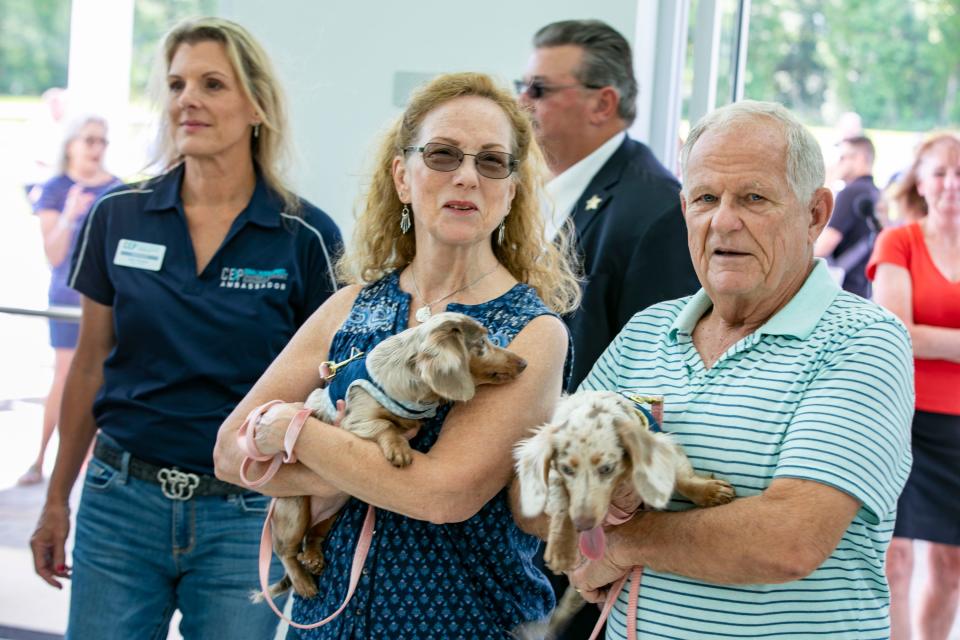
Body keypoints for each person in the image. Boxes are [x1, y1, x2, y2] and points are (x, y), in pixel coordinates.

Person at [212, 71, 581, 639]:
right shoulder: (348, 308)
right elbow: (230, 453)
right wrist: (346, 471)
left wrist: (296, 432)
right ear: (402, 177)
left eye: (490, 162)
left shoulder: (529, 333)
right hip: (327, 626)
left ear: (511, 190)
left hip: (466, 626)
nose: (465, 176)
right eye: (442, 154)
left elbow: (443, 494)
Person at [28, 17, 342, 639]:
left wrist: (311, 514)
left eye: (211, 84)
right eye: (175, 84)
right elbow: (89, 364)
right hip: (120, 503)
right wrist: (57, 497)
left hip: (245, 509)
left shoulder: (306, 236)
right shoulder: (117, 215)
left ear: (256, 105)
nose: (186, 99)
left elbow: (326, 388)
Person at [564, 101, 914, 638]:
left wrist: (624, 541)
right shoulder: (646, 331)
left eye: (754, 197)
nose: (724, 221)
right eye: (705, 198)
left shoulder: (864, 342)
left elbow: (789, 538)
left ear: (816, 214)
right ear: (685, 210)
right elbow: (539, 492)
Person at [517, 19, 699, 392]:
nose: (522, 102)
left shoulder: (657, 211)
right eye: (521, 86)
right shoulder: (520, 189)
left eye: (539, 89)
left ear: (602, 104)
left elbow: (656, 369)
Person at [868, 133, 960, 640]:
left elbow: (918, 332)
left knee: (950, 568)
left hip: (957, 431)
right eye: (941, 172)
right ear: (921, 181)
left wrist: (934, 340)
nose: (952, 184)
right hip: (902, 420)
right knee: (894, 559)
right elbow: (896, 330)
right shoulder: (898, 242)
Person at [17, 115, 122, 487]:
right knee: (65, 375)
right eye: (89, 140)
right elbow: (54, 254)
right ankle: (43, 458)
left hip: (106, 301)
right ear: (71, 145)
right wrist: (69, 214)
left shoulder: (116, 190)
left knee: (101, 376)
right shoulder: (57, 188)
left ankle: (87, 460)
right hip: (66, 297)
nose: (96, 149)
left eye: (102, 141)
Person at [814, 135, 880, 297]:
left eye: (843, 157)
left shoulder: (851, 192)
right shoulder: (876, 193)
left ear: (861, 158)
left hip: (839, 287)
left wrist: (829, 181)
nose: (838, 163)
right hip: (863, 289)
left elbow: (823, 246)